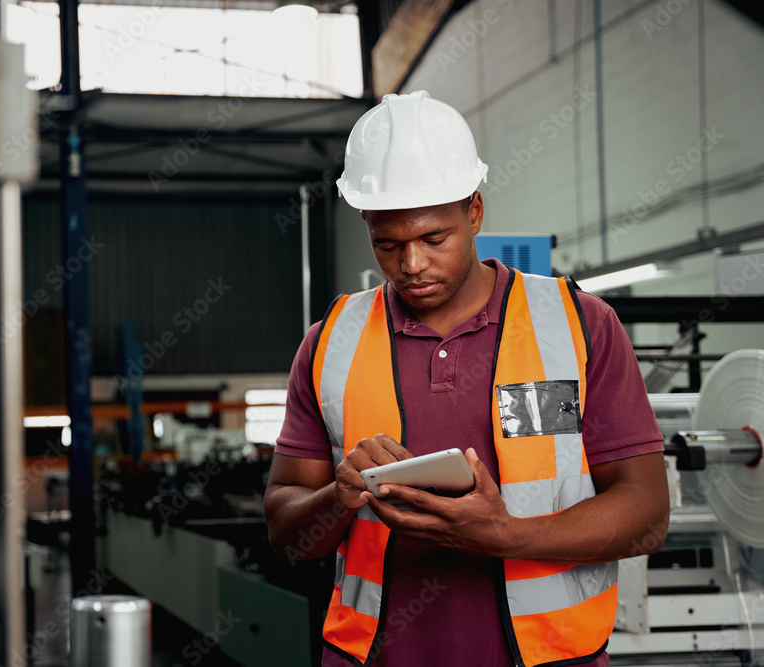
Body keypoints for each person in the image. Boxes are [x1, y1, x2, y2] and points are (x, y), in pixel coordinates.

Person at [263, 91, 669, 667]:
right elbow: (285, 532)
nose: (411, 265)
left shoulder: (577, 325)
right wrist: (339, 497)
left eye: (434, 239)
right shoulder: (330, 341)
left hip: (554, 659)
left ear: (474, 212)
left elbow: (647, 515)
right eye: (387, 243)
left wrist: (507, 536)